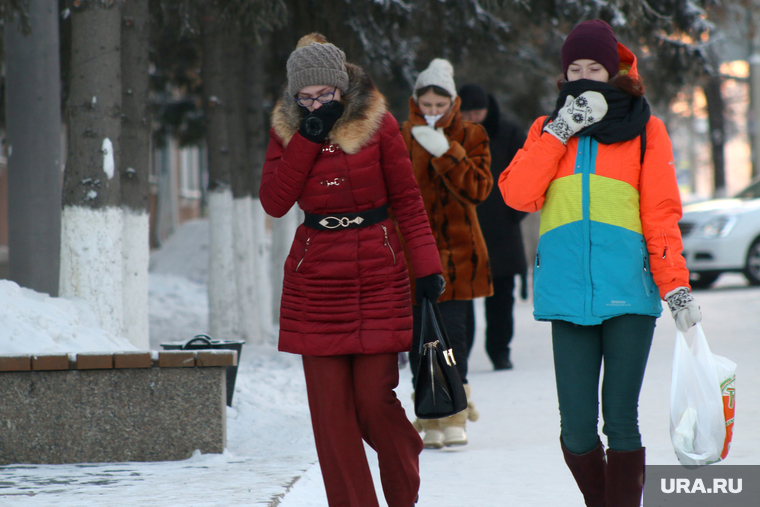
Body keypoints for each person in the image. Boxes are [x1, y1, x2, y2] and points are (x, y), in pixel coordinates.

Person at [499, 20, 702, 506]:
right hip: (567, 293)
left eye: (595, 68)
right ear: (563, 76)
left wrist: (674, 286)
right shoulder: (546, 130)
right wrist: (559, 131)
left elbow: (660, 214)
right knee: (575, 430)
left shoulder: (647, 130)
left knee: (620, 418)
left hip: (628, 291)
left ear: (615, 73)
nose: (585, 76)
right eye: (575, 68)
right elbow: (517, 195)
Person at [259, 33, 445, 507]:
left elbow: (406, 198)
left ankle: (403, 459)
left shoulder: (377, 125)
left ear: (342, 88)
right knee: (332, 419)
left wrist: (426, 268)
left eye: (324, 95)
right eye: (305, 97)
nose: (315, 103)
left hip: (376, 273)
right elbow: (275, 202)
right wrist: (307, 137)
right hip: (315, 277)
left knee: (372, 402)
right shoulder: (287, 129)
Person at [400, 58, 493, 449]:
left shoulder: (472, 135)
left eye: (440, 105)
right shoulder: (401, 135)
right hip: (413, 256)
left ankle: (455, 414)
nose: (433, 112)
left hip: (459, 255)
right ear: (416, 101)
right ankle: (428, 414)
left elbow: (479, 188)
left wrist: (446, 151)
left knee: (453, 338)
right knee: (419, 340)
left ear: (453, 102)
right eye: (427, 104)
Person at [459, 83, 529, 371]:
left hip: (502, 232)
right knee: (461, 296)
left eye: (478, 111)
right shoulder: (450, 136)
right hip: (462, 230)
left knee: (501, 298)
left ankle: (500, 351)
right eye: (467, 112)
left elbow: (528, 174)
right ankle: (459, 353)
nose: (473, 117)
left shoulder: (509, 133)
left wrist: (512, 214)